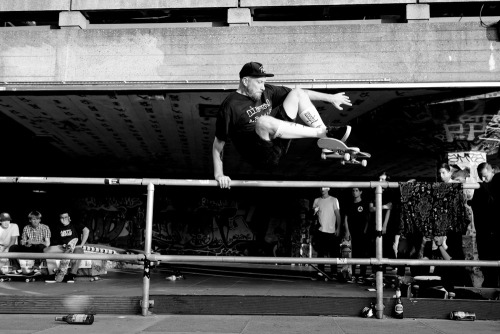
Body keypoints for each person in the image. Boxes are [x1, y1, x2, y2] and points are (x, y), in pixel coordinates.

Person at [213, 61, 352, 188]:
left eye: (264, 82)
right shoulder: (229, 106)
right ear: (245, 81)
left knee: (297, 93)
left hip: (279, 142)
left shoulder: (267, 91)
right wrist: (219, 174)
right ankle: (324, 133)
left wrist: (331, 97)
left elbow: (303, 94)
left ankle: (326, 138)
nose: (263, 87)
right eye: (259, 82)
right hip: (261, 156)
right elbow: (218, 144)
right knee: (263, 121)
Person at [469, 162, 500, 287]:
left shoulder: (494, 185)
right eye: (481, 177)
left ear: (491, 171)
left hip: (492, 235)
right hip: (485, 236)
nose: (483, 180)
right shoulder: (482, 190)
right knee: (488, 270)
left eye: (485, 176)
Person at [43, 211, 90, 282]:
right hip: (63, 247)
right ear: (59, 219)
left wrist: (82, 244)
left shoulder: (75, 224)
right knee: (46, 250)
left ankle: (71, 275)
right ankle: (52, 275)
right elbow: (54, 242)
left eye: (65, 217)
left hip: (75, 247)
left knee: (79, 253)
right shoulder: (57, 227)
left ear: (69, 218)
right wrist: (62, 246)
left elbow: (86, 230)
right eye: (62, 218)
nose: (64, 219)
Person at [311, 187, 341, 280]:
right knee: (321, 252)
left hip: (331, 230)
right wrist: (314, 211)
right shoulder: (317, 200)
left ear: (328, 188)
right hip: (320, 230)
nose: (322, 189)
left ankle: (334, 272)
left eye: (324, 187)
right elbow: (313, 214)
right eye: (321, 187)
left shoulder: (334, 199)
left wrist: (338, 228)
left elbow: (338, 215)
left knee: (333, 253)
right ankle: (321, 272)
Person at [344, 188, 371, 283]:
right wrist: (347, 231)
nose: (354, 192)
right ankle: (354, 275)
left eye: (356, 190)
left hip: (362, 233)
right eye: (353, 191)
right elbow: (346, 218)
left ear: (360, 192)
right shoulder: (350, 204)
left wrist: (365, 230)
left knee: (363, 253)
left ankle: (362, 276)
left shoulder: (365, 204)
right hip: (353, 232)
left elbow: (368, 219)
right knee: (354, 253)